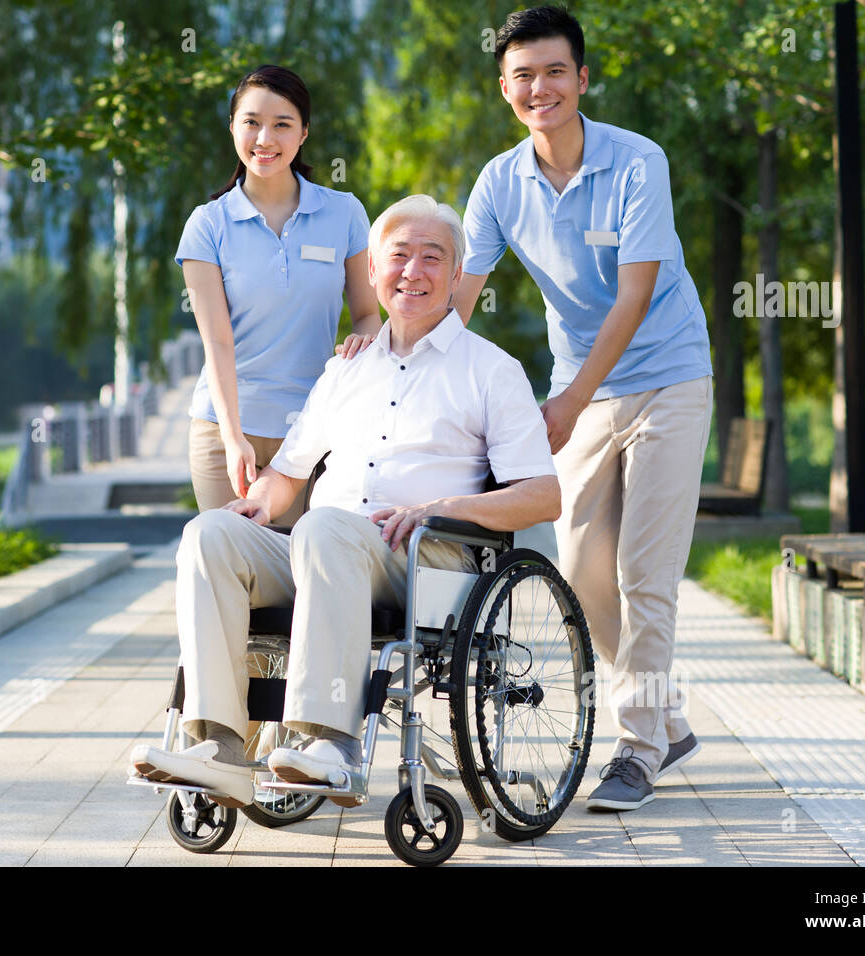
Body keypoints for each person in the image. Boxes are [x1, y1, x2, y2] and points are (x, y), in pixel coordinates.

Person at [132, 195, 561, 807]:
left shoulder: (490, 370)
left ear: (457, 276)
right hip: (324, 549)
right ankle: (221, 749)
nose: (412, 271)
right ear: (371, 273)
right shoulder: (346, 370)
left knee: (325, 528)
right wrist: (257, 504)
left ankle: (329, 743)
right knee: (210, 535)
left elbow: (543, 496)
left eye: (431, 258)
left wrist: (441, 508)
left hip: (425, 559)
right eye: (398, 256)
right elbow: (286, 476)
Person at [453, 5, 713, 812]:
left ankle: (638, 750)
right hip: (583, 389)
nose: (541, 88)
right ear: (505, 88)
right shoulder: (500, 182)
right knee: (583, 572)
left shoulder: (638, 162)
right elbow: (456, 297)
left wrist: (567, 398)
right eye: (523, 76)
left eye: (555, 72)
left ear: (582, 79)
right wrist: (389, 362)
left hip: (668, 375)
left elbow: (634, 295)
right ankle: (665, 716)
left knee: (645, 568)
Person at [177, 65, 382, 527]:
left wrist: (362, 339)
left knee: (308, 579)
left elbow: (368, 314)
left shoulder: (344, 213)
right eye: (250, 122)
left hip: (318, 433)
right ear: (232, 127)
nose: (264, 138)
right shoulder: (207, 225)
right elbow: (217, 343)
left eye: (282, 124)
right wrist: (233, 440)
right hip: (226, 433)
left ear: (304, 132)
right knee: (233, 576)